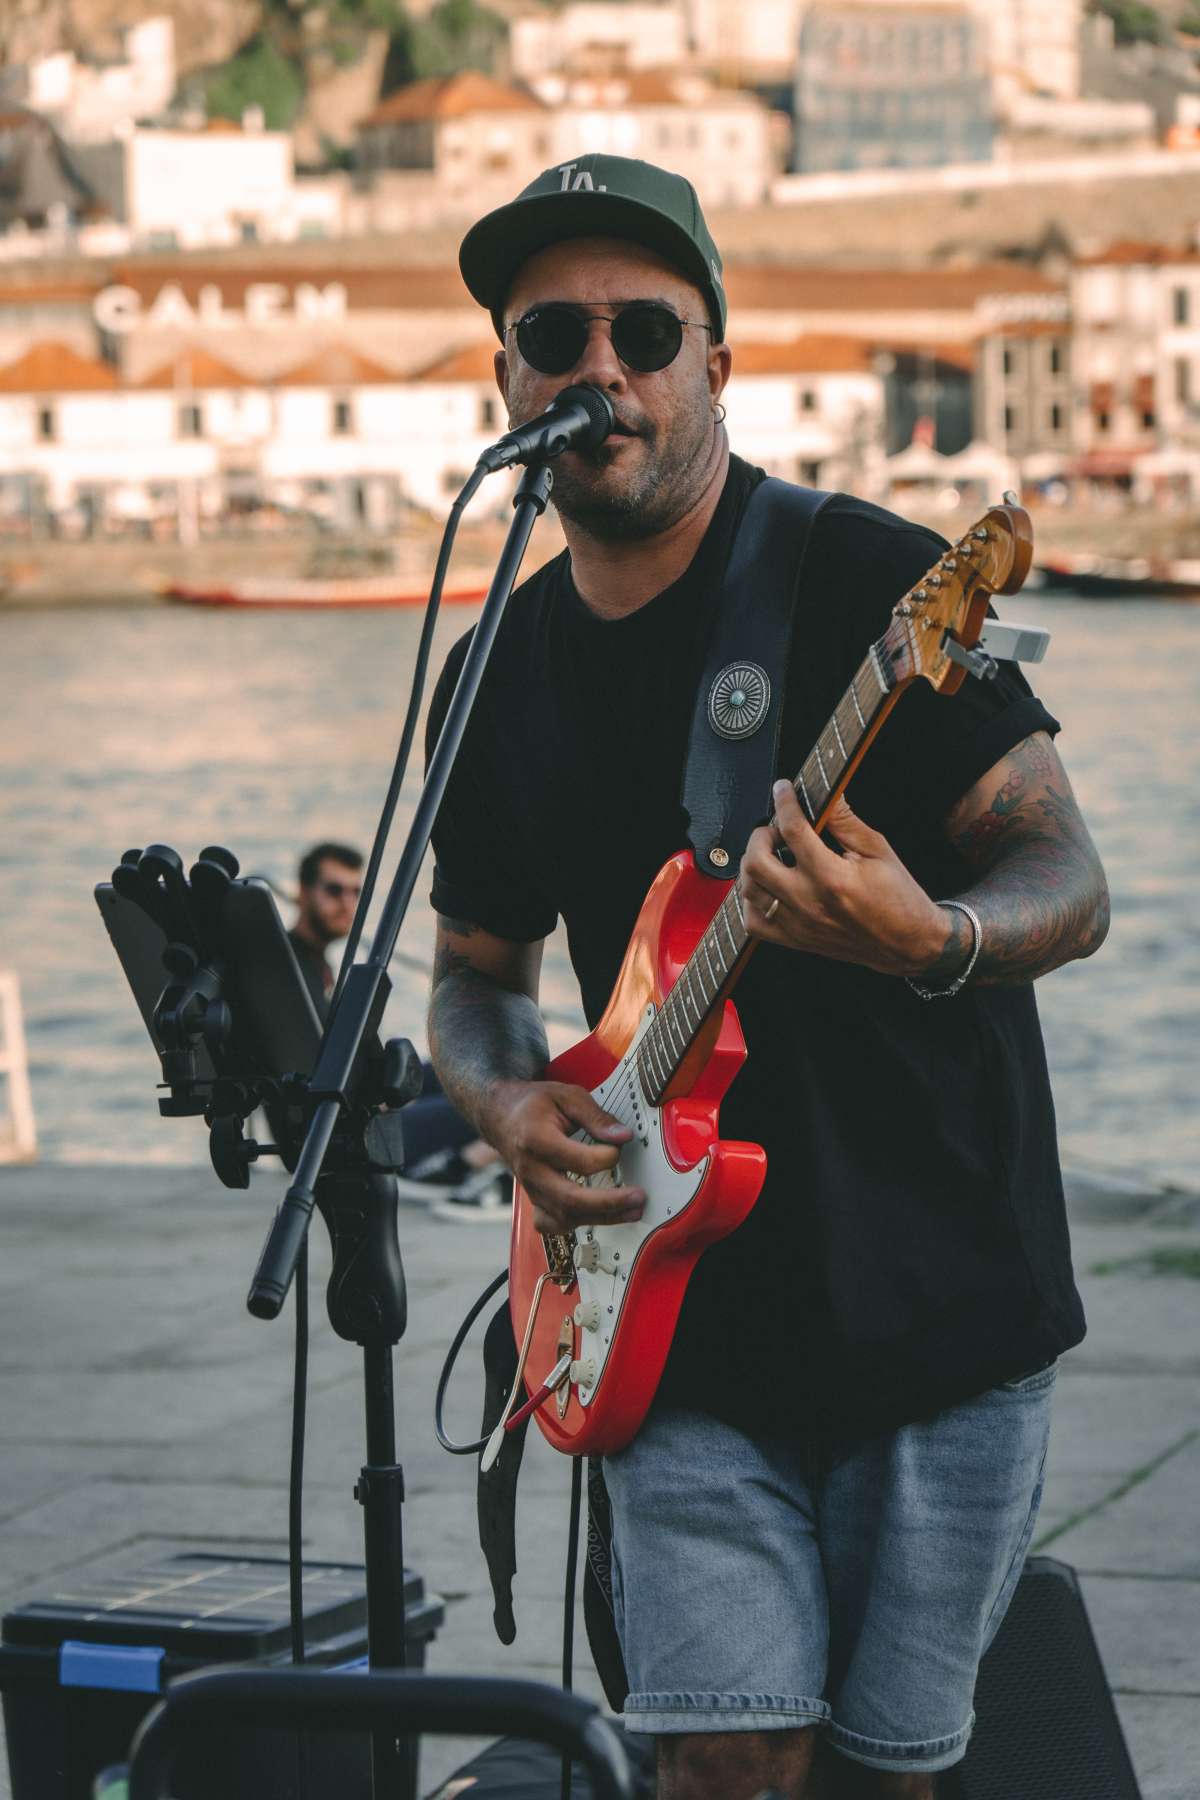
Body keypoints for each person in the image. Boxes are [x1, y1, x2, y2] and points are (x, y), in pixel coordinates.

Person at [424, 156, 1110, 1800]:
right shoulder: (494, 674)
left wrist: (927, 936)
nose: (600, 367)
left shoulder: (873, 579)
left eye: (645, 329)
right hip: (672, 1330)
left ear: (715, 364)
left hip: (933, 1303)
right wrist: (508, 1099)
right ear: (505, 384)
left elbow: (1066, 881)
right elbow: (470, 978)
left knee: (886, 1776)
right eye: (555, 335)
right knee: (722, 1760)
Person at [287, 842, 503, 1193]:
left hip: (358, 1101)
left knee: (466, 1069)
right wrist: (378, 1098)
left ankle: (470, 1159)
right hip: (343, 1126)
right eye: (333, 890)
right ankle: (461, 1164)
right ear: (302, 893)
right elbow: (303, 1063)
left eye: (355, 892)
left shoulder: (313, 963)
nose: (346, 904)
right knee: (488, 1100)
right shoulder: (290, 972)